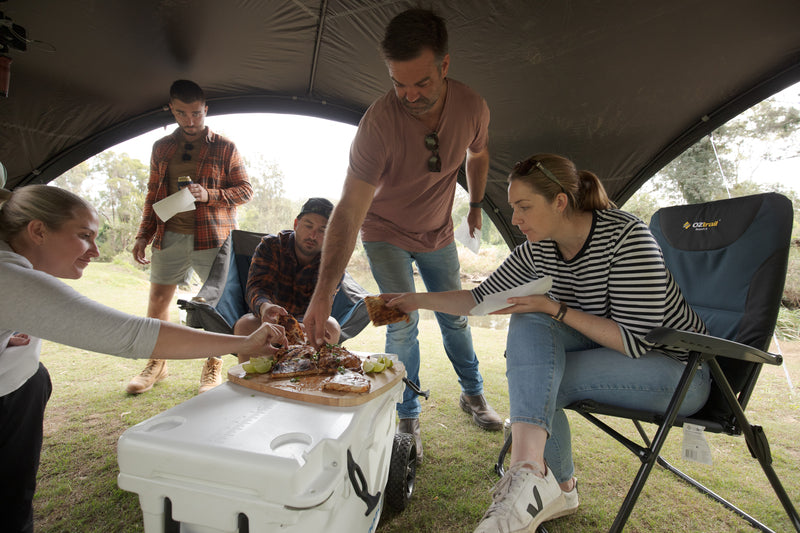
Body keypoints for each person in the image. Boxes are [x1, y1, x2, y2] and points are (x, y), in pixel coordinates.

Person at [381, 153, 712, 531]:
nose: (515, 218)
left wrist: (554, 308)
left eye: (524, 207)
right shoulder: (539, 247)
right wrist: (416, 300)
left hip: (679, 369)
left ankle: (540, 480)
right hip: (610, 352)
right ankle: (540, 476)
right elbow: (478, 299)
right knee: (531, 326)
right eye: (513, 208)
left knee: (538, 378)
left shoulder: (625, 238)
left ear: (560, 201)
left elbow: (635, 341)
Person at [0, 185, 286, 533]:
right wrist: (244, 343)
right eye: (84, 236)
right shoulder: (10, 278)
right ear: (38, 231)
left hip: (23, 384)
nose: (95, 251)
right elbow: (131, 334)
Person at [304, 8, 502, 463]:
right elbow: (350, 208)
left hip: (439, 233)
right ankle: (407, 415)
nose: (410, 95)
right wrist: (324, 293)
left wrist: (475, 204)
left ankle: (472, 393)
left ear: (445, 65)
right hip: (383, 233)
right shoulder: (377, 124)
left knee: (456, 317)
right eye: (399, 84)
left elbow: (479, 153)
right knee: (400, 323)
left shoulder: (472, 107)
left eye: (421, 83)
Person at [126, 79, 253, 395]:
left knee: (214, 306)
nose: (190, 120)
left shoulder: (225, 147)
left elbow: (245, 191)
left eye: (196, 113)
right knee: (158, 301)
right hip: (169, 236)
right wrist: (143, 235)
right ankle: (157, 363)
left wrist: (209, 194)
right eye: (182, 113)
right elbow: (153, 194)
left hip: (213, 239)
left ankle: (213, 366)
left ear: (206, 109)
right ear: (171, 109)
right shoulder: (162, 147)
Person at [233, 197, 341, 361]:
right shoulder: (271, 246)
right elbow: (257, 288)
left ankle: (313, 373)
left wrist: (306, 325)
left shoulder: (333, 262)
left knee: (332, 328)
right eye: (308, 226)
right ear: (296, 224)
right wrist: (265, 307)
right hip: (269, 318)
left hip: (308, 322)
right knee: (244, 325)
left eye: (322, 230)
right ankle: (250, 376)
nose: (313, 235)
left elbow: (324, 301)